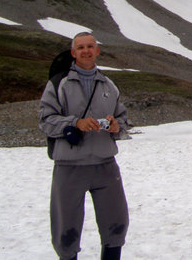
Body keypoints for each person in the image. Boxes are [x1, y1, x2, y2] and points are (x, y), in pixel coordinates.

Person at [39, 32, 130, 260]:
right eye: (80, 47)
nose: (86, 50)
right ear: (73, 53)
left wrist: (117, 126)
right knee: (66, 231)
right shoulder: (58, 84)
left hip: (105, 165)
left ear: (97, 51)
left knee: (116, 224)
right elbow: (45, 120)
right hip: (69, 167)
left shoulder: (109, 84)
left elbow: (124, 119)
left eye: (90, 46)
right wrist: (74, 123)